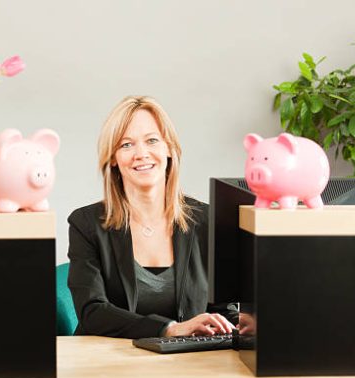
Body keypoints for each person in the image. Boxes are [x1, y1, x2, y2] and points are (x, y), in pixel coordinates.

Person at [67, 95, 237, 339]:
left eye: (152, 140)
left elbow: (221, 309)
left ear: (168, 149)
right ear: (113, 158)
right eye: (126, 145)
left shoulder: (208, 221)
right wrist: (168, 329)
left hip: (186, 363)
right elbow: (92, 312)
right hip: (108, 363)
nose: (141, 153)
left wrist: (241, 324)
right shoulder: (86, 223)